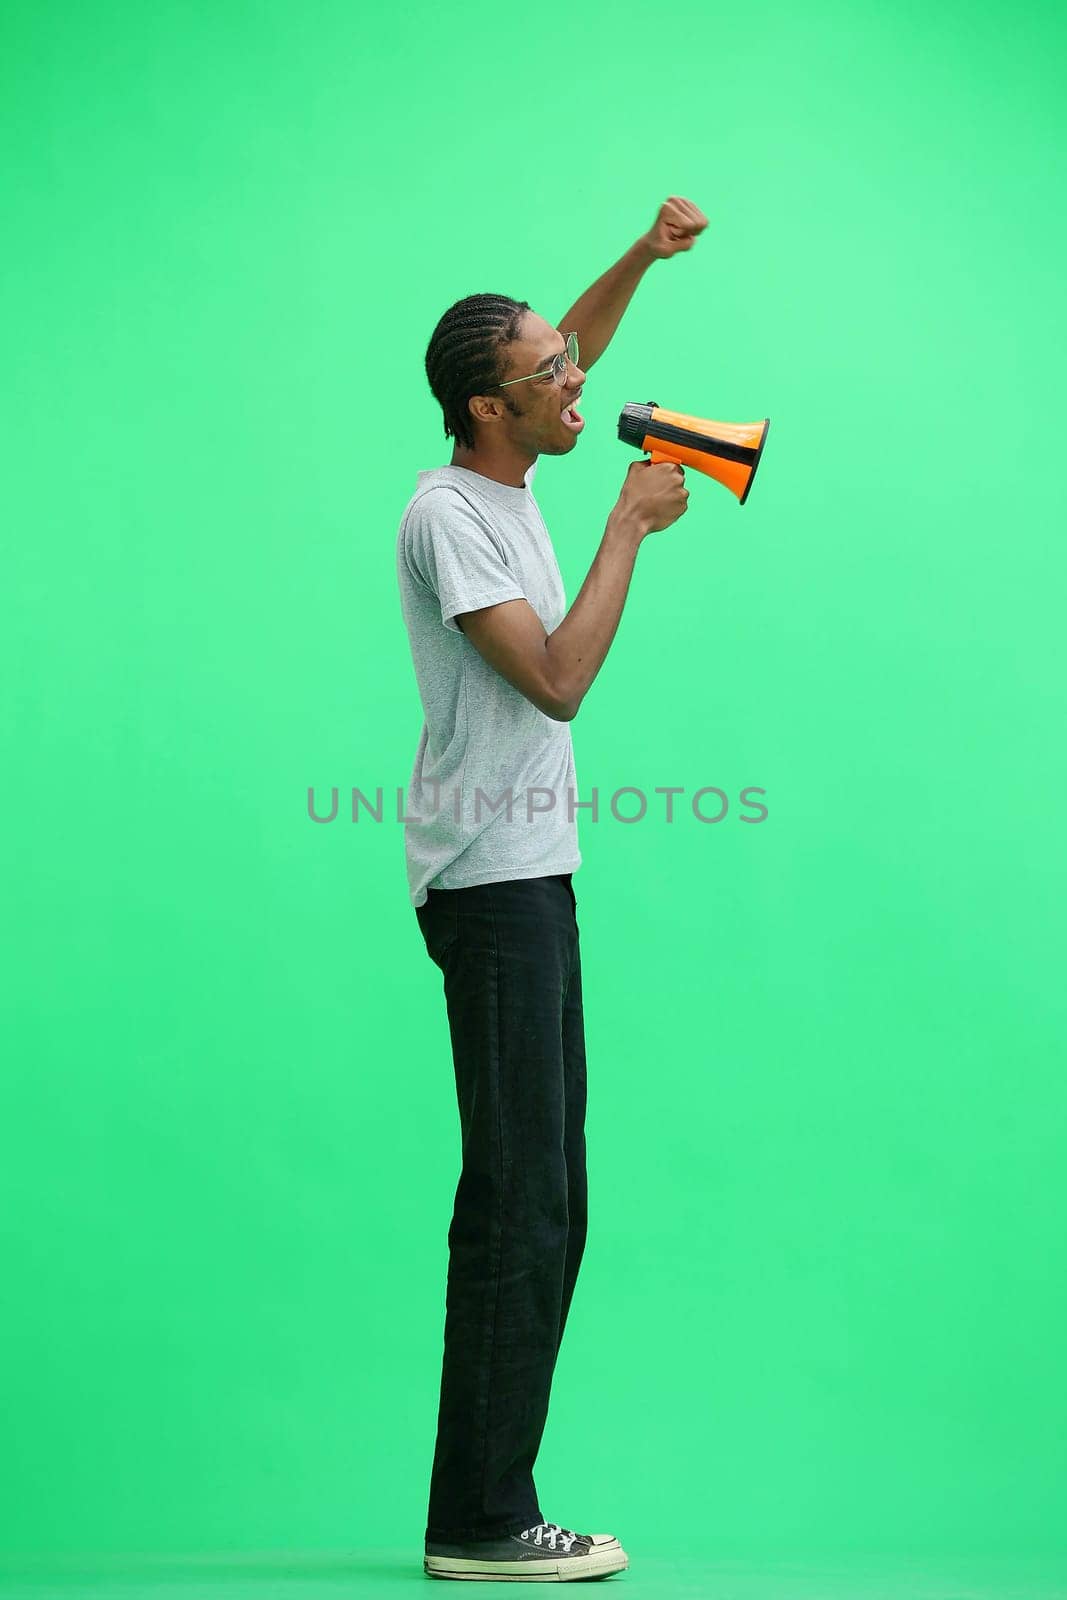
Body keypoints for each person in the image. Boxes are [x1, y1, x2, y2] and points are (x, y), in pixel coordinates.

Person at [395, 198, 708, 1583]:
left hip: (537, 882)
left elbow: (571, 341)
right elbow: (560, 684)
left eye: (568, 364)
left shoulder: (507, 472)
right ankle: (481, 1519)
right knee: (519, 1201)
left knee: (552, 1198)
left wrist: (639, 257)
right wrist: (634, 526)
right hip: (490, 891)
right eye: (550, 376)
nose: (578, 379)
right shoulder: (449, 516)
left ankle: (487, 1503)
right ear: (487, 406)